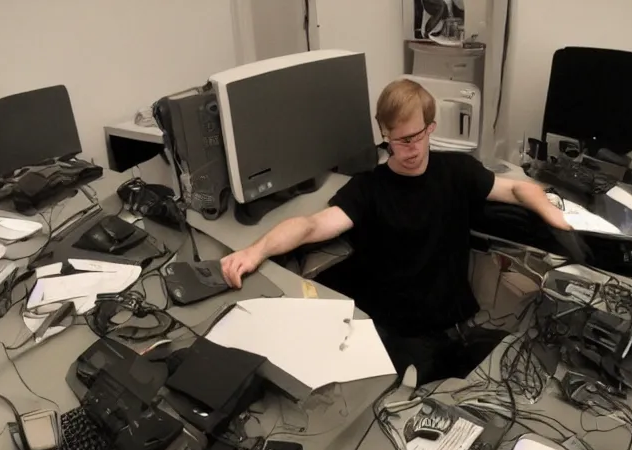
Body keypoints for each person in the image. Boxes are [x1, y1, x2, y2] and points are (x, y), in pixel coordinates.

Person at [221, 77, 579, 384]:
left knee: (526, 375)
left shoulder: (456, 171)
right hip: (403, 335)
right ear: (386, 136)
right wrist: (256, 251)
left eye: (418, 136)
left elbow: (518, 188)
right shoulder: (369, 189)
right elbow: (311, 225)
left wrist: (555, 215)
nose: (411, 149)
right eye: (401, 140)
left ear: (431, 128)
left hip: (460, 323)